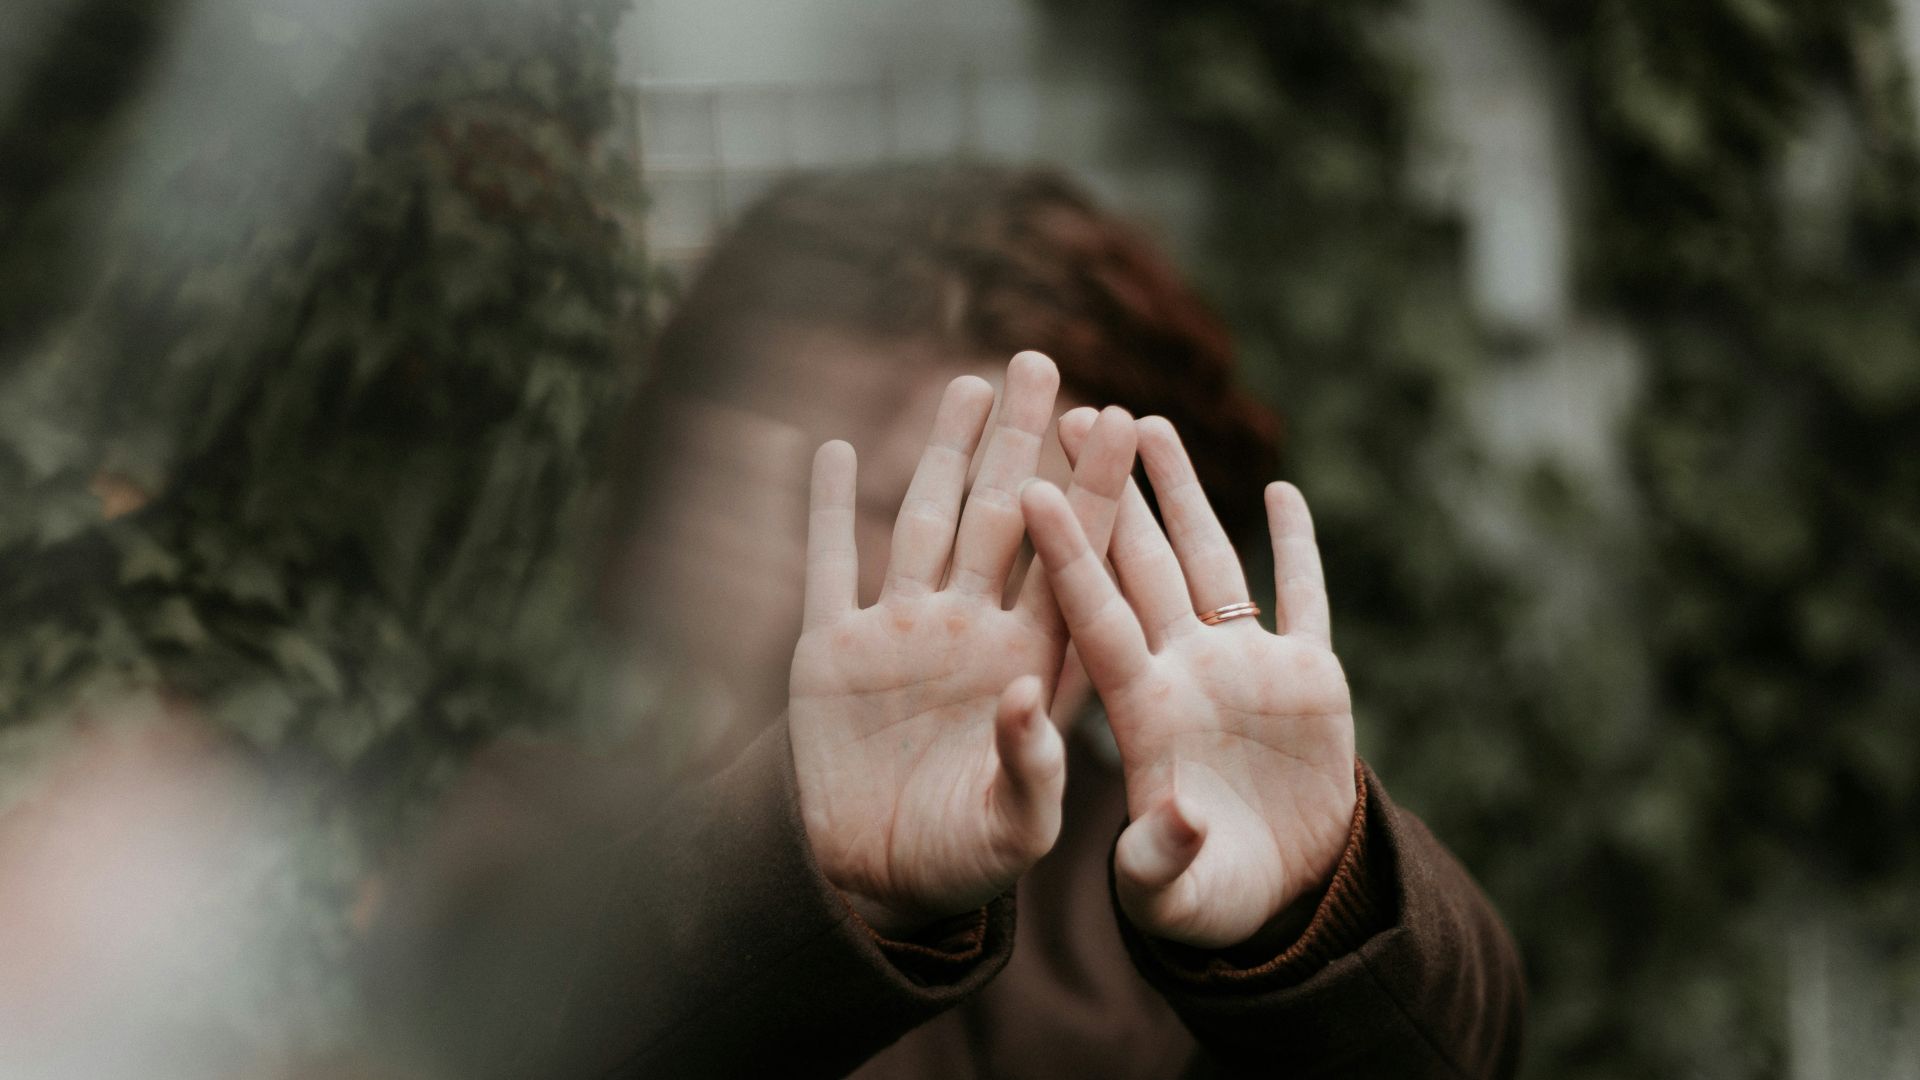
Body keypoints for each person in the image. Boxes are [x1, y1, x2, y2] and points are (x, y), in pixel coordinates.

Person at [366, 164, 1526, 1078]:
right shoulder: (537, 841)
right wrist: (819, 880)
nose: (942, 604)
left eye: (1028, 534)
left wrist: (1317, 923)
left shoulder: (1177, 902)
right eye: (878, 505)